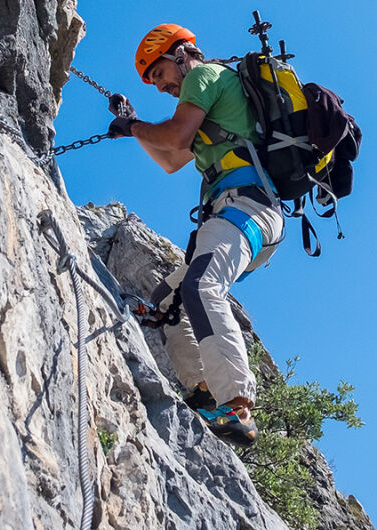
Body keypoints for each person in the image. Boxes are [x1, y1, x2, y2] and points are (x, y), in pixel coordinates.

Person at [107, 23, 284, 447]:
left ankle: (236, 402)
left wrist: (133, 128)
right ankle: (204, 390)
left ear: (182, 54)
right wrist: (133, 124)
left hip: (245, 207)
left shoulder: (205, 76)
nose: (162, 86)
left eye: (160, 73)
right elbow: (172, 159)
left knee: (203, 287)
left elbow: (176, 135)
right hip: (245, 215)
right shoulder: (216, 105)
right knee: (166, 304)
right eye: (153, 81)